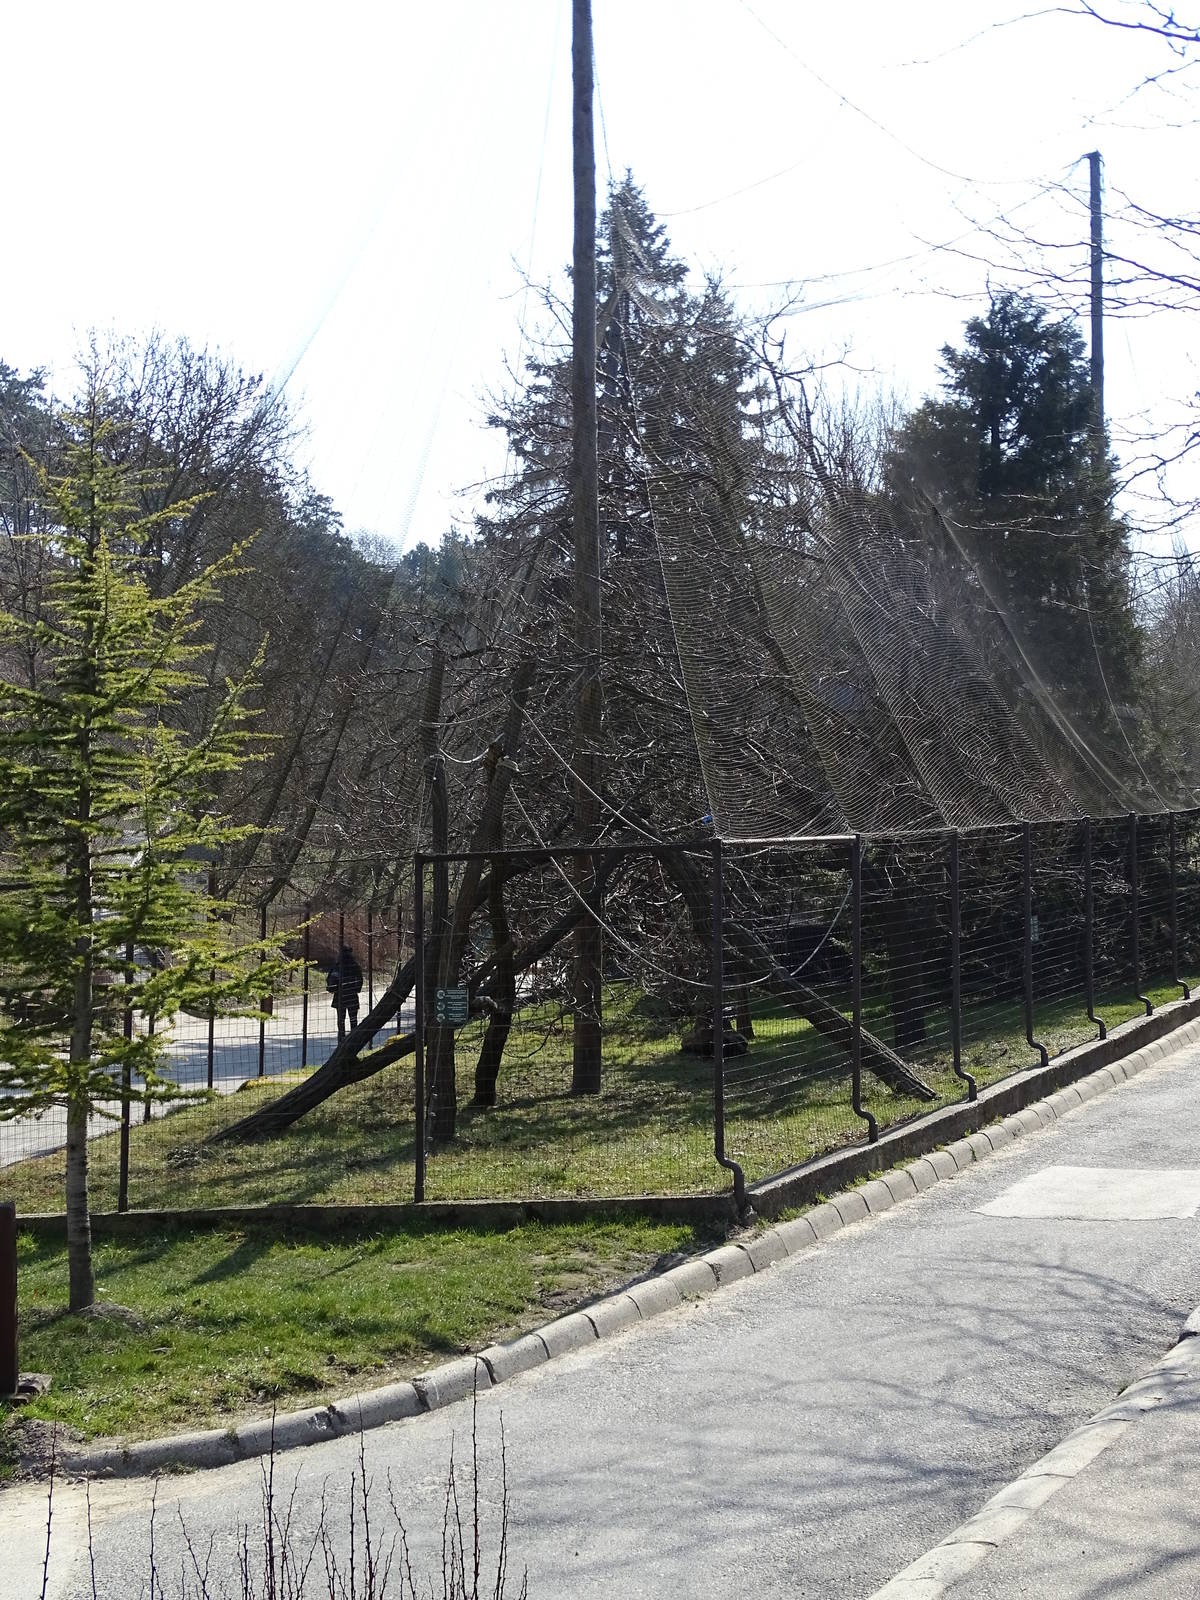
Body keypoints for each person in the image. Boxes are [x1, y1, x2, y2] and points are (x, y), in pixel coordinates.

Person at [326, 944, 363, 1042]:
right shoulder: (354, 966)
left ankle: (341, 1039)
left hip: (340, 996)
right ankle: (354, 1039)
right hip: (352, 996)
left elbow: (330, 979)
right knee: (353, 1019)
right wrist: (356, 989)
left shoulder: (338, 966)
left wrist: (332, 988)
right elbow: (360, 980)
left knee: (341, 1020)